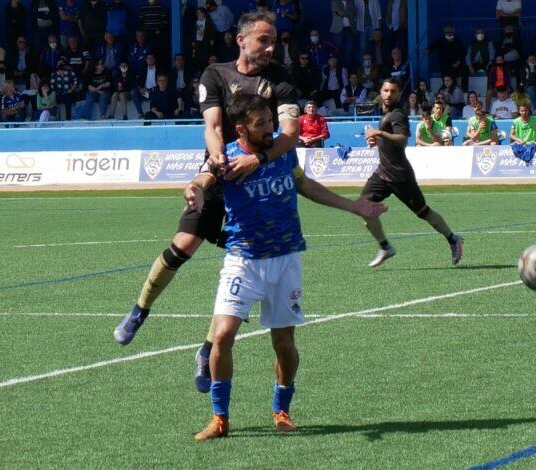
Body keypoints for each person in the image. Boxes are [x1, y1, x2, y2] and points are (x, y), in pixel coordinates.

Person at [114, 12, 302, 402]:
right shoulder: (215, 75)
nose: (270, 48)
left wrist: (258, 161)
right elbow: (213, 127)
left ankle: (205, 350)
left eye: (274, 42)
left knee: (241, 267)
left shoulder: (281, 79)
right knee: (183, 243)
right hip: (219, 174)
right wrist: (217, 160)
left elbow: (290, 134)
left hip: (259, 184)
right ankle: (140, 309)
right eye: (263, 40)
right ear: (241, 39)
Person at [189, 93, 386, 442]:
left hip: (286, 258)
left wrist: (354, 207)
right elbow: (204, 178)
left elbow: (303, 184)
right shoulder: (227, 159)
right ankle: (220, 418)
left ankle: (282, 409)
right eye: (261, 123)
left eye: (271, 120)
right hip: (243, 260)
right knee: (221, 335)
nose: (271, 128)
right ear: (241, 129)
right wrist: (196, 188)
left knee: (283, 342)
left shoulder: (282, 150)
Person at [361, 78, 464, 267]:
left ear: (399, 94)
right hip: (383, 173)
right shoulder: (386, 113)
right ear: (380, 92)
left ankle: (453, 238)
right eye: (385, 90)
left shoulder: (398, 114)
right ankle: (385, 247)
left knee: (423, 212)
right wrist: (379, 141)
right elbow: (390, 139)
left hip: (399, 175)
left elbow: (402, 139)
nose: (389, 94)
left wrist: (380, 134)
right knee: (363, 205)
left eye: (393, 91)